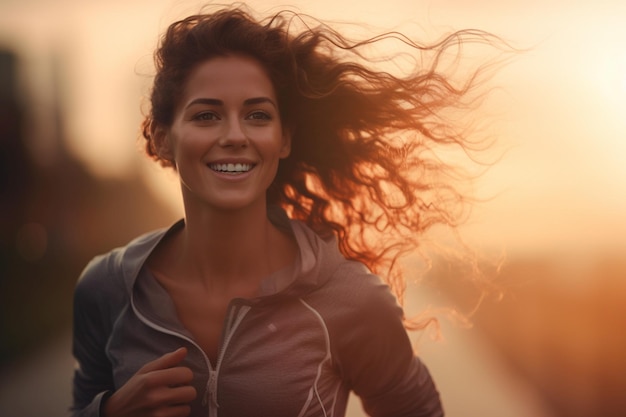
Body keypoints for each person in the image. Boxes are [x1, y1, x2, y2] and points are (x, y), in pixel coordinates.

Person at [72, 5, 502, 417]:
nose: (235, 135)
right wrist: (107, 412)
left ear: (284, 139)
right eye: (207, 116)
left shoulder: (349, 300)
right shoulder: (106, 289)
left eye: (257, 115)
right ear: (163, 139)